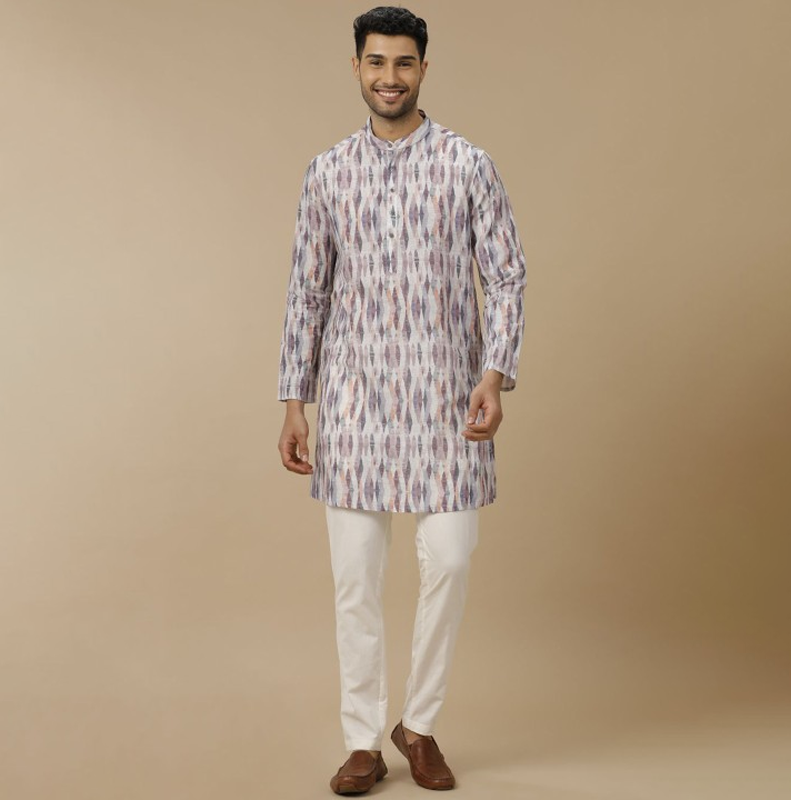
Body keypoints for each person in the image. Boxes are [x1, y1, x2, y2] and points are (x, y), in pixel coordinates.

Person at [277, 6, 526, 794]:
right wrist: (295, 400)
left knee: (449, 560)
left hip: (450, 403)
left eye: (404, 62)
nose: (390, 76)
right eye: (377, 61)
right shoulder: (327, 172)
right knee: (355, 580)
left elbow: (506, 275)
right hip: (355, 405)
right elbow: (307, 291)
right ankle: (361, 740)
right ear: (357, 67)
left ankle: (418, 725)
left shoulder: (468, 164)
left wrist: (494, 375)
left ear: (424, 69)